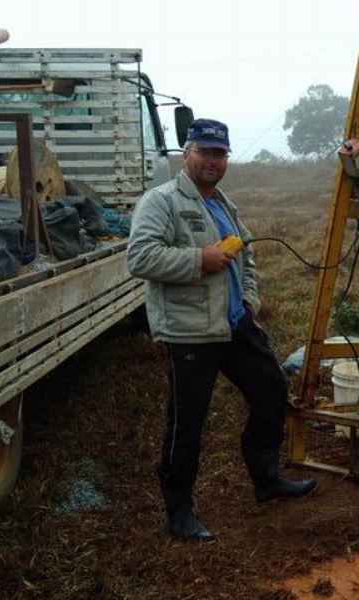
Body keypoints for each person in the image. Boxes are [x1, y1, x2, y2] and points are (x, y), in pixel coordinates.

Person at [126, 118, 316, 541]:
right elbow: (140, 258)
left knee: (271, 391)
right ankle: (179, 512)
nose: (213, 161)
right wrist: (199, 259)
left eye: (220, 154)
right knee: (187, 423)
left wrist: (248, 299)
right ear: (186, 152)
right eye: (205, 152)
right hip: (191, 330)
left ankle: (266, 480)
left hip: (234, 324)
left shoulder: (224, 204)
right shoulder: (161, 201)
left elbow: (246, 255)